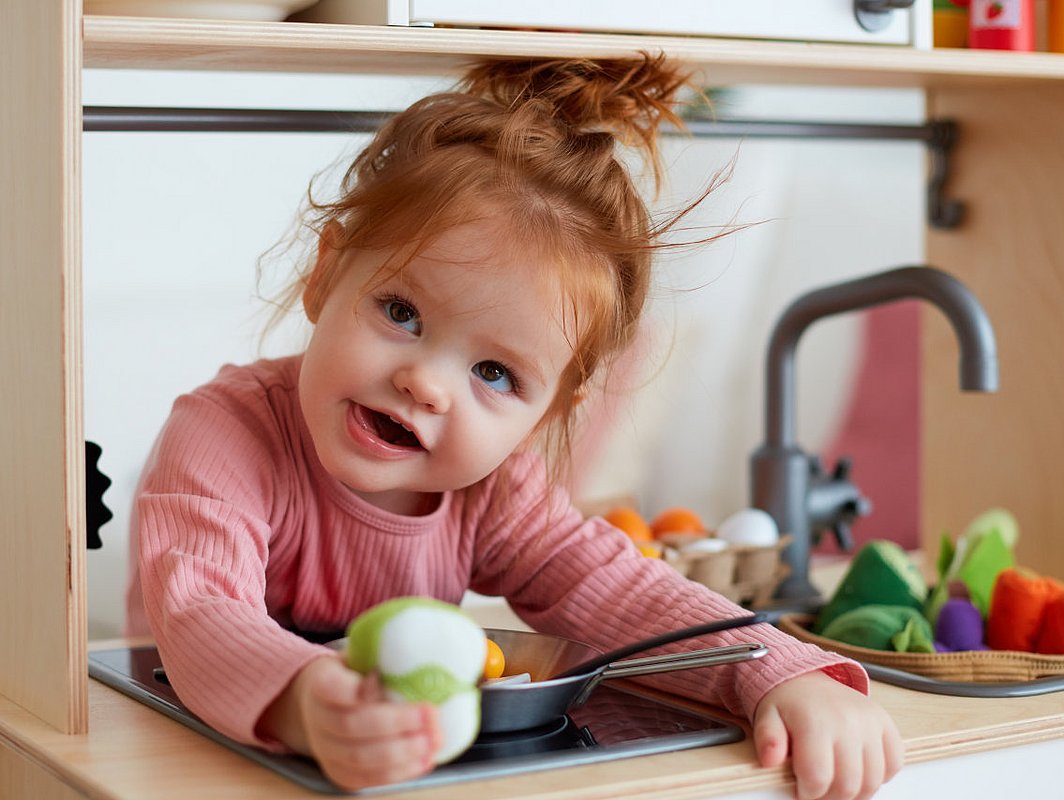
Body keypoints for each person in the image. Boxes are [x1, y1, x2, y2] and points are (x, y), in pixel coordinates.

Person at [126, 53, 903, 799]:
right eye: (401, 312)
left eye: (494, 374)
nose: (425, 383)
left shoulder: (495, 489)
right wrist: (304, 698)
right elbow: (200, 614)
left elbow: (618, 590)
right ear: (327, 272)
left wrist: (781, 670)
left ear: (553, 410)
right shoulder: (224, 433)